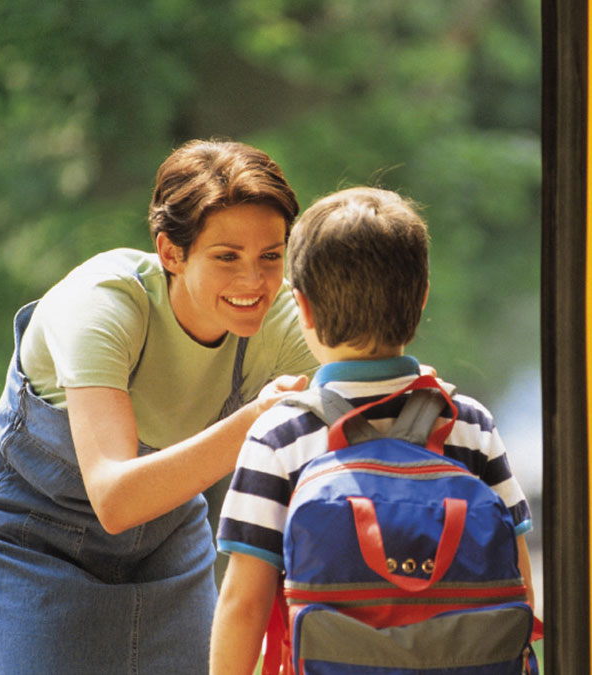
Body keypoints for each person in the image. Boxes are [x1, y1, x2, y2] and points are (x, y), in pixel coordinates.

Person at [0, 139, 320, 673]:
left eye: (271, 256)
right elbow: (115, 497)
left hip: (168, 535)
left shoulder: (284, 320)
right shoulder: (102, 304)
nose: (255, 282)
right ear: (171, 252)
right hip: (32, 539)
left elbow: (361, 407)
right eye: (227, 257)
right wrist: (255, 421)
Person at [209, 186, 536, 673]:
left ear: (304, 308)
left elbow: (243, 605)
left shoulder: (281, 436)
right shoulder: (467, 423)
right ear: (422, 297)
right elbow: (517, 584)